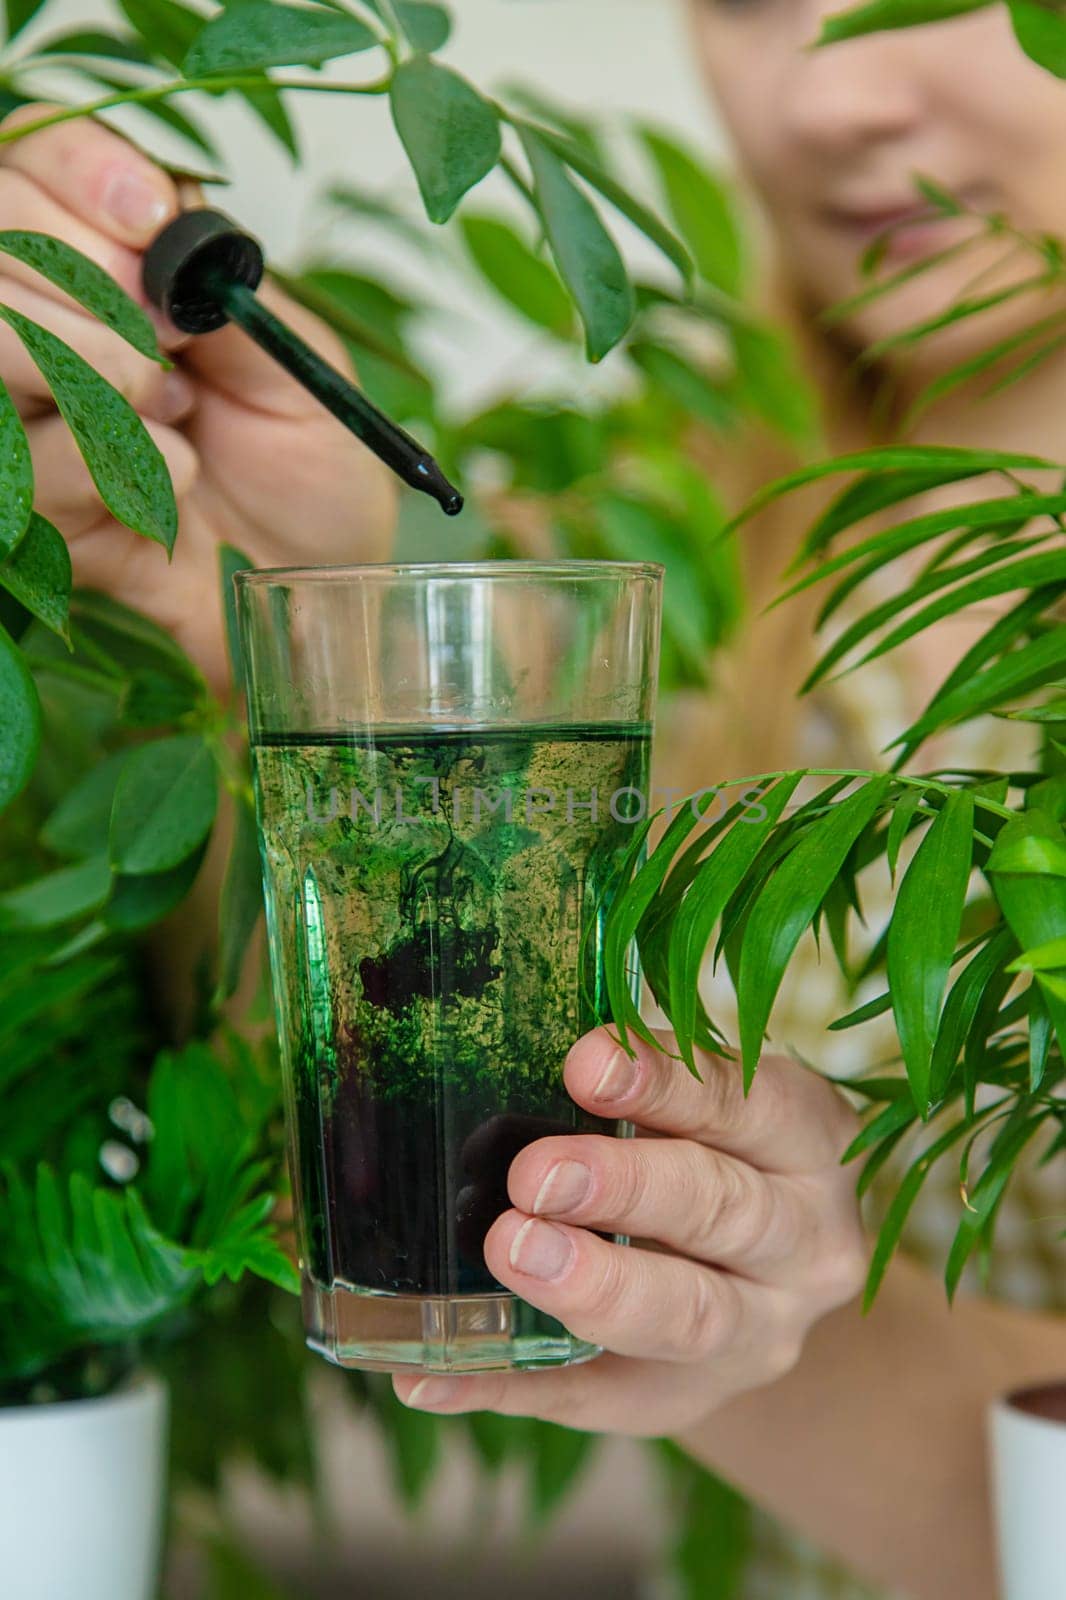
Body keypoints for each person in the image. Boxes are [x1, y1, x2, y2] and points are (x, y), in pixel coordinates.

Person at [0, 3, 1062, 1589]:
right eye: (755, 0)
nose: (834, 93)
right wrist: (257, 655)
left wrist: (747, 1324)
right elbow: (335, 1130)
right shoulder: (666, 507)